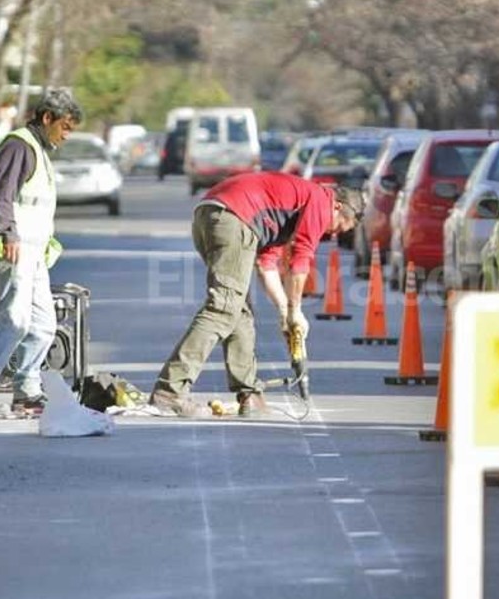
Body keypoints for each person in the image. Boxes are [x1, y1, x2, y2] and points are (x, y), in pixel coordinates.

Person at [149, 172, 365, 418]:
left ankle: (248, 393)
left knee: (239, 309)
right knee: (222, 308)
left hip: (211, 214)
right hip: (233, 217)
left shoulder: (285, 214)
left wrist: (284, 311)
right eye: (339, 226)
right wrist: (296, 311)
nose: (334, 234)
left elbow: (266, 264)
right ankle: (169, 393)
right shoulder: (321, 199)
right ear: (337, 207)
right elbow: (301, 257)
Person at [0, 89, 82, 418]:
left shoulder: (40, 150)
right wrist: (8, 234)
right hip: (11, 248)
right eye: (65, 127)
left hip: (32, 254)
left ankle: (27, 389)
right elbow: (2, 194)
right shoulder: (20, 145)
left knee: (44, 324)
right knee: (14, 318)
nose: (66, 135)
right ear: (47, 118)